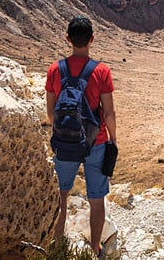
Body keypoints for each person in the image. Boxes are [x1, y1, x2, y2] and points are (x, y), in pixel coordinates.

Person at [46, 15, 117, 257]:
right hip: (95, 143)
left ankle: (56, 247)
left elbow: (50, 112)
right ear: (92, 40)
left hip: (65, 143)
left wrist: (65, 133)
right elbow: (108, 112)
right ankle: (95, 248)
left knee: (61, 196)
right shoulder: (101, 71)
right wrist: (112, 140)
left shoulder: (55, 69)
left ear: (68, 39)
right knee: (96, 200)